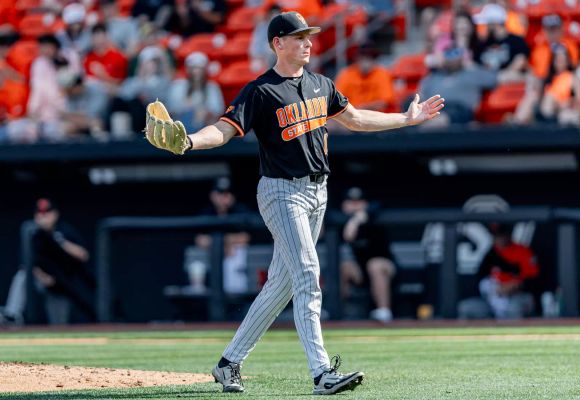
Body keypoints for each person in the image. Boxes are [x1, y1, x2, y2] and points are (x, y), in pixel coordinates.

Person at [146, 11, 444, 395]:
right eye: (299, 36)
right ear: (278, 43)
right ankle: (322, 373)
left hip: (318, 191)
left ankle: (228, 363)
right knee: (307, 274)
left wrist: (405, 118)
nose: (308, 42)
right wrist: (189, 141)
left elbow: (355, 119)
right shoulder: (261, 91)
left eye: (309, 36)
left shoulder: (321, 83)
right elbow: (223, 130)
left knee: (281, 286)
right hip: (281, 191)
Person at [30, 198, 95, 324]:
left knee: (59, 323)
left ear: (55, 214)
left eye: (47, 213)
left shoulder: (64, 231)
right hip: (42, 280)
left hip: (65, 283)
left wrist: (59, 241)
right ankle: (13, 314)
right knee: (22, 277)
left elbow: (83, 255)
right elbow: (27, 263)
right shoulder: (32, 234)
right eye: (40, 213)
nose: (43, 217)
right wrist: (42, 276)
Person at [339, 187, 397, 323]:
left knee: (375, 265)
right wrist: (352, 220)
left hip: (386, 269)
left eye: (358, 202)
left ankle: (384, 311)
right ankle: (339, 312)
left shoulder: (373, 215)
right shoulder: (342, 219)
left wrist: (358, 218)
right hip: (360, 271)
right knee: (344, 266)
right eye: (351, 202)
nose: (355, 205)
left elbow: (378, 206)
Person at [458, 223, 539, 319]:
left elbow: (534, 280)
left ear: (508, 234)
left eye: (501, 235)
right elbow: (480, 279)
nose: (499, 238)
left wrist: (515, 285)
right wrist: (492, 289)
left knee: (514, 308)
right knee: (465, 308)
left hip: (517, 296)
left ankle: (515, 334)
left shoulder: (522, 251)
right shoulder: (490, 254)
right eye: (496, 235)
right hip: (493, 301)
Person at [194, 177, 251, 295]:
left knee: (235, 258)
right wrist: (223, 245)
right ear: (212, 195)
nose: (224, 197)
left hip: (236, 262)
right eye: (220, 193)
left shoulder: (239, 211)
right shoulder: (207, 212)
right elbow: (199, 240)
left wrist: (222, 242)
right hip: (211, 260)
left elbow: (245, 238)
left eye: (227, 193)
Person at [419, 46, 496, 125]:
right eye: (448, 54)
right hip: (436, 109)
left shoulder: (473, 73)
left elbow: (493, 80)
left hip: (460, 110)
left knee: (443, 118)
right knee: (411, 103)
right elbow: (422, 95)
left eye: (456, 53)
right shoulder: (433, 77)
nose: (452, 58)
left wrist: (472, 64)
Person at [166, 52, 224, 132]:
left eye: (200, 68)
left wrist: (205, 112)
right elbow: (171, 109)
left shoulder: (212, 87)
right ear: (188, 69)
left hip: (204, 127)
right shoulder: (178, 85)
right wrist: (186, 108)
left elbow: (218, 110)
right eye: (193, 68)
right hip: (180, 127)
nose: (196, 72)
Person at [473, 4, 530, 82]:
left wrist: (504, 75)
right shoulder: (483, 43)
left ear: (495, 23)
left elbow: (521, 60)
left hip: (508, 83)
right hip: (487, 84)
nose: (485, 26)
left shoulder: (516, 41)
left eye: (487, 23)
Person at [334, 45, 395, 112]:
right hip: (350, 116)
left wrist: (358, 108)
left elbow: (384, 103)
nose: (365, 60)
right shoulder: (346, 74)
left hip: (376, 115)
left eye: (369, 57)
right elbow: (337, 102)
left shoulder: (382, 73)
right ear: (357, 58)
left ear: (374, 59)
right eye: (363, 57)